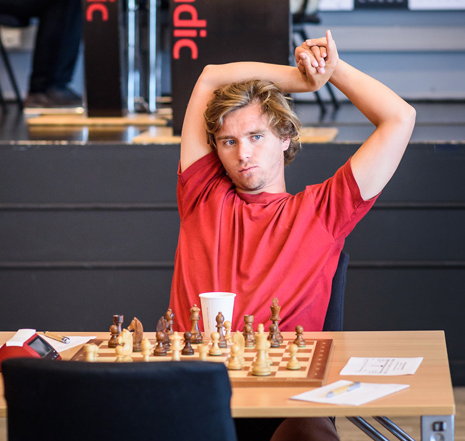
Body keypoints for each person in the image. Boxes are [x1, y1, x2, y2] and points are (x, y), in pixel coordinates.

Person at [168, 30, 415, 441]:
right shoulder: (201, 195)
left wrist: (331, 71)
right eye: (228, 141)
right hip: (192, 397)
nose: (243, 154)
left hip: (284, 402)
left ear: (285, 137)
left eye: (256, 136)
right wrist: (300, 80)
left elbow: (400, 118)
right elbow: (210, 77)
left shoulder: (323, 211)